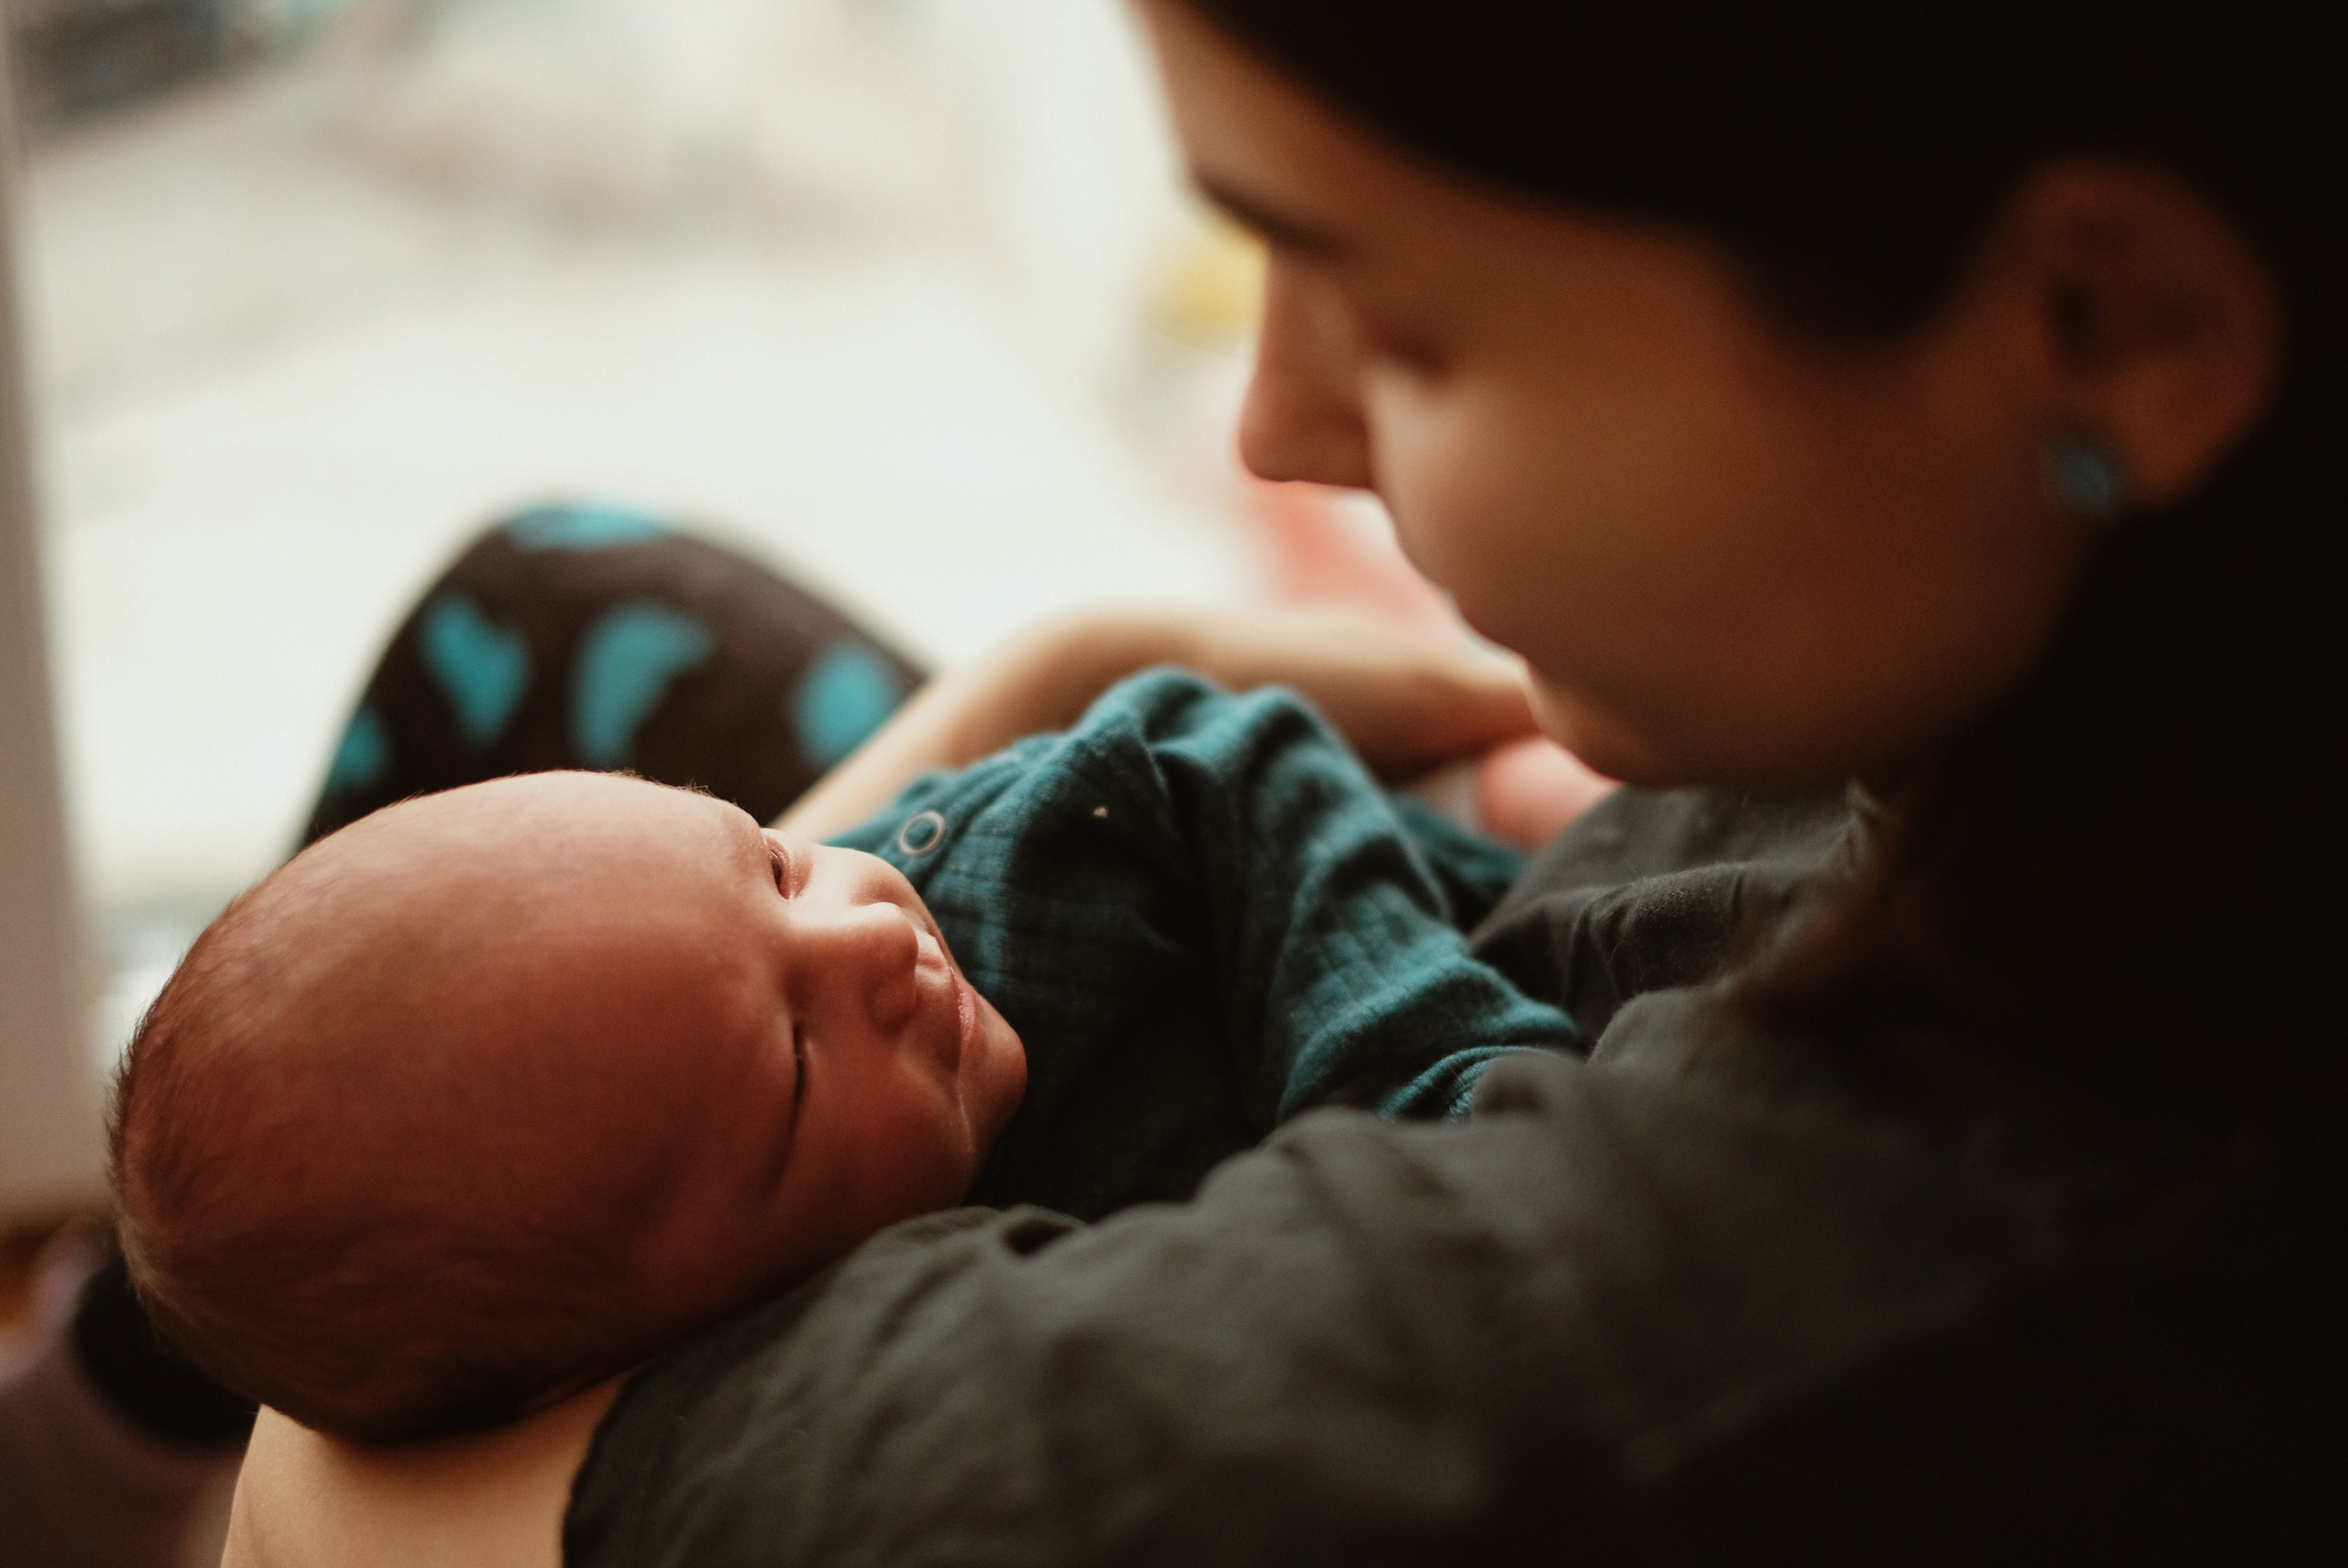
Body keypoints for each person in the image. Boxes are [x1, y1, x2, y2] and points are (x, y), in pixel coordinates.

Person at [203, 0, 2339, 1560]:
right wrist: (1076, 682)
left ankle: (109, 1451)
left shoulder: (1709, 1310)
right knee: (556, 617)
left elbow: (334, 1487)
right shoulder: (2121, 698)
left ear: (2101, 319)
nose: (1276, 436)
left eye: (1401, 326)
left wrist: (1057, 708)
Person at [111, 671, 1573, 1443]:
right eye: (800, 1067)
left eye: (773, 861)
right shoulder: (826, 1389)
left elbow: (1215, 748)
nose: (872, 937)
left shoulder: (1029, 879)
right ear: (647, 1348)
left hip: (1501, 921)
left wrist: (1404, 1068)